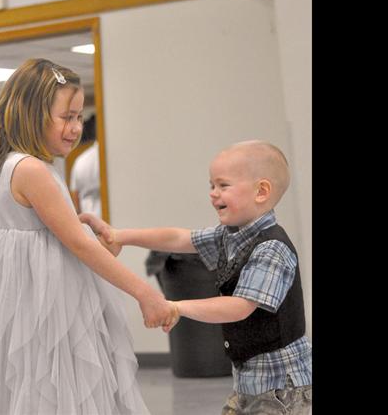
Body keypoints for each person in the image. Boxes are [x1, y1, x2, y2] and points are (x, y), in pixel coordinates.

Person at [0, 58, 176, 415]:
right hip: (49, 317)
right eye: (66, 117)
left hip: (51, 308)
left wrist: (95, 242)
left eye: (79, 117)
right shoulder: (31, 169)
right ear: (32, 113)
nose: (76, 128)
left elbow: (60, 242)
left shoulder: (28, 166)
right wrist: (146, 293)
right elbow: (76, 244)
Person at [80, 140, 312, 415]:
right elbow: (179, 238)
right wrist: (120, 236)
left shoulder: (271, 248)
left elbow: (239, 307)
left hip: (283, 388)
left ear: (261, 191)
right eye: (211, 185)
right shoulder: (231, 236)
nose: (213, 194)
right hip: (249, 382)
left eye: (223, 185)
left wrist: (176, 307)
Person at [70, 115, 101, 216]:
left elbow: (75, 193)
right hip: (104, 215)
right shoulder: (105, 157)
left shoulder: (80, 160)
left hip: (86, 216)